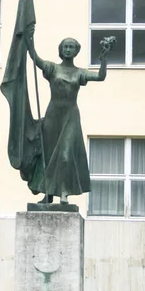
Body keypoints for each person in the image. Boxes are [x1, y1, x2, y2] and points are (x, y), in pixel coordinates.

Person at [25, 25, 114, 204]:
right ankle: (48, 194)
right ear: (60, 50)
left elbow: (101, 77)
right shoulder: (52, 68)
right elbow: (35, 58)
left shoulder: (79, 72)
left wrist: (104, 58)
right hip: (52, 115)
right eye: (65, 46)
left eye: (71, 47)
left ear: (76, 51)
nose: (67, 49)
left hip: (70, 115)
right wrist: (29, 38)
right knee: (49, 156)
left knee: (65, 155)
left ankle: (64, 192)